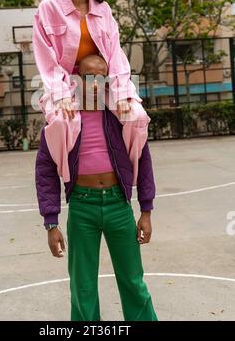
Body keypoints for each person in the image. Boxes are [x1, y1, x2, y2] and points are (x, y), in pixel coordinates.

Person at [35, 54, 158, 321]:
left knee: (133, 280)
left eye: (101, 78)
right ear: (76, 79)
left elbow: (143, 157)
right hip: (82, 206)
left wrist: (146, 210)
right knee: (83, 286)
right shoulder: (62, 119)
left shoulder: (121, 116)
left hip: (118, 205)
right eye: (88, 76)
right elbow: (45, 171)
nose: (94, 83)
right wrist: (51, 222)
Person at [33, 0, 150, 185]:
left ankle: (127, 171)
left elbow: (115, 55)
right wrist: (61, 95)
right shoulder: (49, 7)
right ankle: (66, 175)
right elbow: (46, 57)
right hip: (66, 82)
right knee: (60, 122)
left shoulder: (103, 10)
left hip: (100, 80)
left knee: (136, 116)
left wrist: (122, 94)